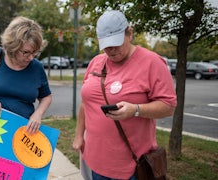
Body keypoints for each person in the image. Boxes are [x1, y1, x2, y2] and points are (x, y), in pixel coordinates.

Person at [72, 10, 177, 180]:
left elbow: (168, 106)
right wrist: (78, 136)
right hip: (95, 160)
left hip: (131, 167)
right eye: (106, 45)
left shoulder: (152, 63)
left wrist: (136, 110)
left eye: (116, 43)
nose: (111, 50)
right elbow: (86, 103)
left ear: (130, 33)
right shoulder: (96, 62)